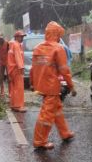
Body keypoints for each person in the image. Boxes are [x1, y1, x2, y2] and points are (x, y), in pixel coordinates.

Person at [30, 21, 77, 150]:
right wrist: (71, 86)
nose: (59, 37)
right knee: (46, 116)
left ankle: (65, 133)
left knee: (57, 110)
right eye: (59, 35)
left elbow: (33, 69)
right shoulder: (58, 48)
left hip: (41, 85)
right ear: (56, 34)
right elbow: (64, 70)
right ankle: (39, 141)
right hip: (51, 86)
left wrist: (33, 84)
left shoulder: (38, 48)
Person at [8, 30, 26, 112]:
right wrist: (21, 68)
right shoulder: (16, 45)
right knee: (19, 88)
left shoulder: (13, 45)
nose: (22, 38)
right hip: (17, 69)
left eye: (22, 36)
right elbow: (18, 58)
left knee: (13, 88)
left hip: (12, 69)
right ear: (16, 37)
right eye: (20, 36)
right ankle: (19, 106)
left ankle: (13, 105)